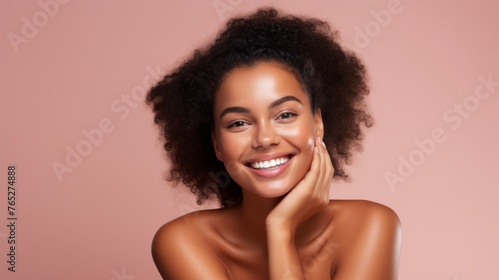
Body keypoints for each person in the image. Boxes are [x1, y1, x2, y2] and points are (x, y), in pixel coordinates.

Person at [146, 6, 402, 280]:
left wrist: (281, 229)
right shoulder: (182, 242)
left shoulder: (370, 225)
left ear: (318, 124)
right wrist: (281, 230)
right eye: (238, 123)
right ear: (217, 144)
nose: (265, 139)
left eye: (285, 115)